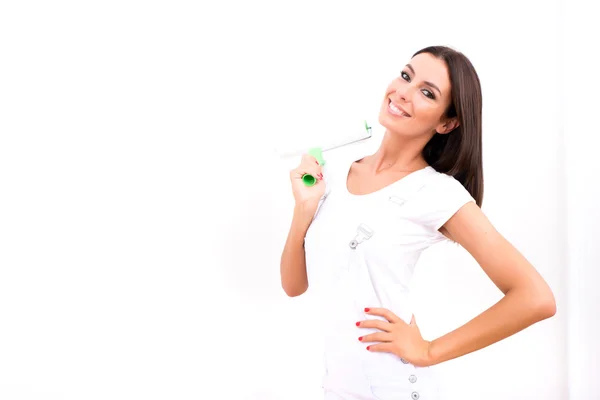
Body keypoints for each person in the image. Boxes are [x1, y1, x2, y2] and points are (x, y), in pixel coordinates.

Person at [279, 45, 556, 399]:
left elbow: (536, 298)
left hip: (393, 388)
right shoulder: (333, 168)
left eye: (427, 92)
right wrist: (303, 211)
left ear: (447, 122)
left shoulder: (438, 194)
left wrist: (428, 351)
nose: (403, 93)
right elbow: (293, 285)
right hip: (337, 388)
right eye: (406, 76)